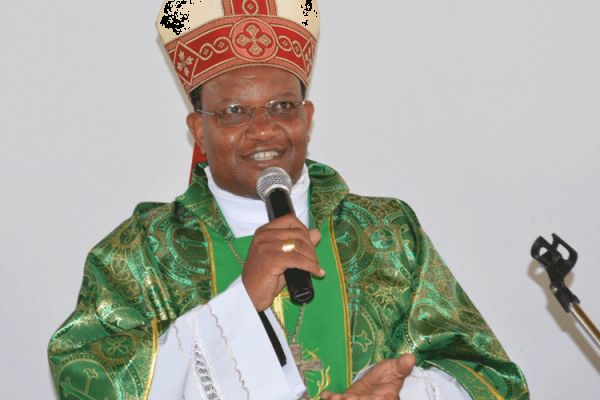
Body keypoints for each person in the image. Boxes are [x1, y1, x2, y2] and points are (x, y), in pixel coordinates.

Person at [48, 1, 529, 399]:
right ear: (199, 129)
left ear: (308, 117)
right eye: (235, 111)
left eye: (283, 107)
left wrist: (405, 395)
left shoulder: (385, 232)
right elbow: (87, 381)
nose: (264, 129)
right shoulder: (142, 252)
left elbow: (490, 378)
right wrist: (241, 303)